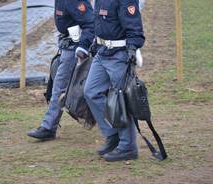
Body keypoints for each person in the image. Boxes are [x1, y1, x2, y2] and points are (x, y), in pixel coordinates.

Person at [84, 0, 145, 162]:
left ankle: (128, 147)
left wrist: (133, 48)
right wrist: (94, 43)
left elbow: (134, 25)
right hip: (102, 51)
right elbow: (100, 22)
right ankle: (113, 135)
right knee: (91, 91)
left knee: (121, 101)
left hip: (119, 54)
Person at [28, 0, 94, 141]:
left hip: (74, 49)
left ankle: (48, 127)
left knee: (59, 89)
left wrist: (82, 47)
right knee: (65, 88)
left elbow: (90, 23)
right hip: (67, 46)